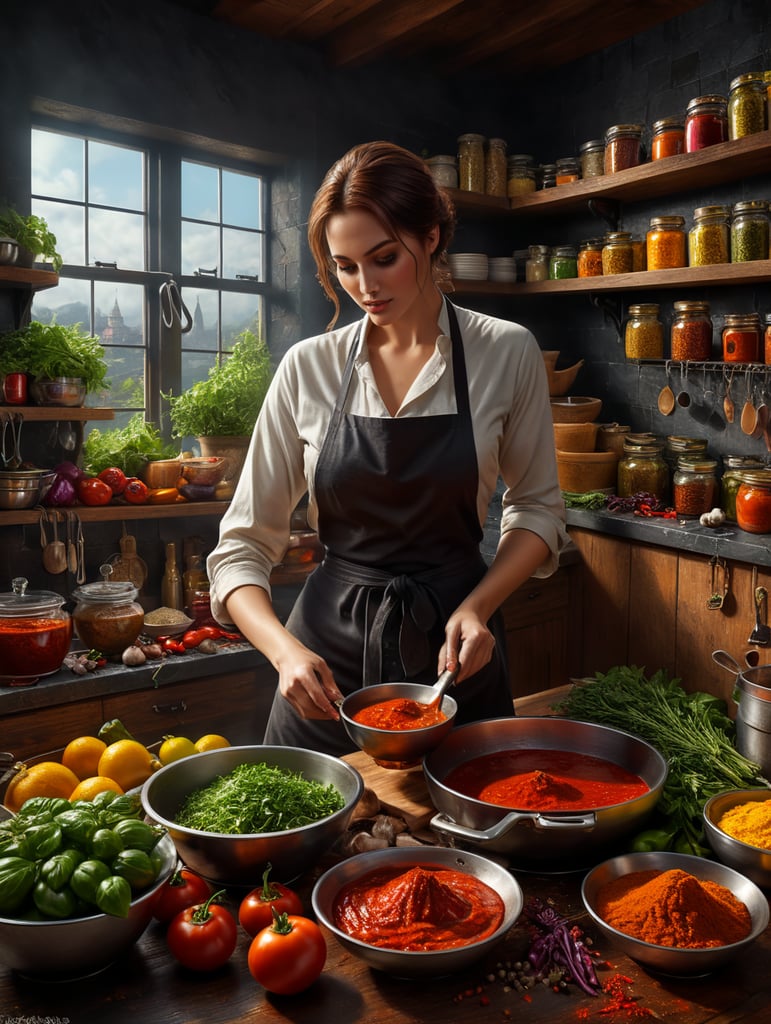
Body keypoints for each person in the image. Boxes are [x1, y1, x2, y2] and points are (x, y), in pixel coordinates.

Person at [207, 140, 569, 756]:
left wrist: (479, 608)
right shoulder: (308, 367)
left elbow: (537, 509)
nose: (366, 287)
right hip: (323, 661)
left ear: (430, 237)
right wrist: (284, 652)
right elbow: (241, 547)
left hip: (458, 649)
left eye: (384, 258)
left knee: (463, 812)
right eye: (345, 267)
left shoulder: (506, 351)